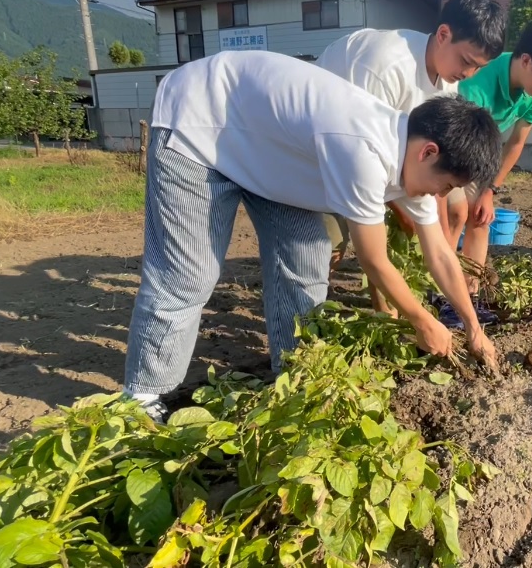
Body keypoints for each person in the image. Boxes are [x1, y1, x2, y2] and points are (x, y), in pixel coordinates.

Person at [123, 50, 502, 422]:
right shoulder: (364, 149)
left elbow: (439, 254)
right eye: (445, 185)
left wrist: (472, 326)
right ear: (429, 152)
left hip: (268, 150)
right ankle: (142, 396)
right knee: (189, 273)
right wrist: (423, 321)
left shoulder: (412, 160)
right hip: (201, 122)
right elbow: (374, 260)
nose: (439, 196)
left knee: (305, 260)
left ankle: (295, 375)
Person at [317, 0, 507, 318]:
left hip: (373, 157)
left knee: (407, 225)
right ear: (444, 34)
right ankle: (312, 311)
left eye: (478, 68)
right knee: (327, 244)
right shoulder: (385, 68)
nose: (468, 74)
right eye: (467, 62)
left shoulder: (447, 81)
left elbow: (434, 174)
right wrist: (411, 216)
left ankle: (382, 307)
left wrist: (437, 242)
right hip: (321, 151)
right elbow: (362, 157)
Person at [436, 17, 532, 328]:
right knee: (456, 212)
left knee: (481, 215)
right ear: (526, 61)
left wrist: (489, 191)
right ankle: (443, 292)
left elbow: (515, 143)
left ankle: (470, 295)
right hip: (447, 149)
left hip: (480, 153)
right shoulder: (478, 81)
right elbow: (449, 142)